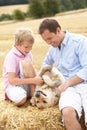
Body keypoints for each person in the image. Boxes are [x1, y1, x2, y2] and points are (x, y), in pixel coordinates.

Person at [38, 18, 87, 130]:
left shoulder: (80, 42)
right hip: (68, 89)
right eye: (45, 40)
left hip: (85, 84)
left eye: (50, 38)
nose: (48, 43)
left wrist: (66, 84)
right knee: (67, 114)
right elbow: (46, 63)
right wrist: (46, 76)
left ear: (58, 30)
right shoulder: (52, 49)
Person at [3, 27, 43, 107]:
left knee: (44, 94)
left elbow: (31, 71)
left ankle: (32, 96)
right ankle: (11, 104)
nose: (29, 50)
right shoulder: (11, 57)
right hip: (13, 86)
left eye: (31, 47)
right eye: (26, 47)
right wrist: (34, 80)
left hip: (26, 84)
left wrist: (39, 78)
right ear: (17, 44)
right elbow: (12, 80)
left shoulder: (28, 54)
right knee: (22, 99)